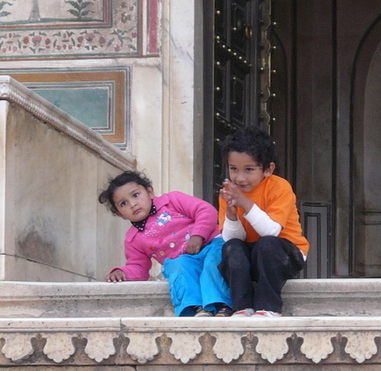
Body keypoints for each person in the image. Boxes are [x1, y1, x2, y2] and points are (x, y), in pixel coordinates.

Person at [99, 170, 232, 317]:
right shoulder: (133, 239)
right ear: (119, 213)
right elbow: (138, 267)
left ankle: (222, 304)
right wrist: (122, 273)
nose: (133, 204)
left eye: (136, 195)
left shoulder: (172, 200)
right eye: (123, 203)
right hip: (185, 261)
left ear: (150, 192)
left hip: (211, 244)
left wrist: (198, 235)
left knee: (213, 261)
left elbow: (205, 210)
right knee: (177, 266)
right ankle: (195, 308)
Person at [218, 126, 309, 318]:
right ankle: (242, 306)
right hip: (252, 254)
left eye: (249, 170)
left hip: (285, 253)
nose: (240, 177)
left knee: (266, 244)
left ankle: (269, 307)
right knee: (232, 247)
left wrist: (245, 203)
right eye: (233, 169)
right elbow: (232, 239)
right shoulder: (229, 192)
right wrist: (232, 214)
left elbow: (272, 230)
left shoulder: (279, 187)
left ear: (268, 169)